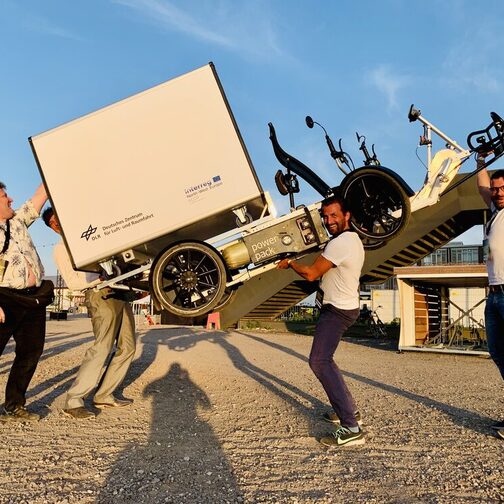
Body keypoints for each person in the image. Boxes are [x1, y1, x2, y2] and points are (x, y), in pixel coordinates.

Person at [277, 194, 365, 447]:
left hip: (338, 310)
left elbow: (311, 273)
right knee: (326, 360)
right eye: (325, 216)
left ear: (347, 216)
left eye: (334, 215)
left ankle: (351, 427)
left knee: (318, 361)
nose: (329, 221)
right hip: (341, 307)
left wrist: (291, 263)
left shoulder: (342, 242)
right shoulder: (347, 240)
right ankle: (348, 411)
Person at [43, 207, 137, 420]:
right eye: (52, 224)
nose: (57, 225)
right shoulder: (61, 249)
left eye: (58, 219)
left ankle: (104, 394)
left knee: (128, 346)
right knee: (102, 346)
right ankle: (74, 400)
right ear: (52, 229)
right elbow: (73, 282)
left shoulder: (87, 238)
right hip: (99, 294)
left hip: (119, 292)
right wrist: (100, 279)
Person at [0, 181, 48, 421]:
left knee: (31, 352)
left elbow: (40, 194)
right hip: (4, 298)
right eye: (4, 197)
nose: (10, 200)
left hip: (33, 300)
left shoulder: (17, 221)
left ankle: (14, 404)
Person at [476, 155, 504, 441]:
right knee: (497, 352)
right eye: (496, 189)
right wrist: (480, 162)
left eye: (503, 188)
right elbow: (483, 187)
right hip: (494, 293)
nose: (498, 193)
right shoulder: (494, 211)